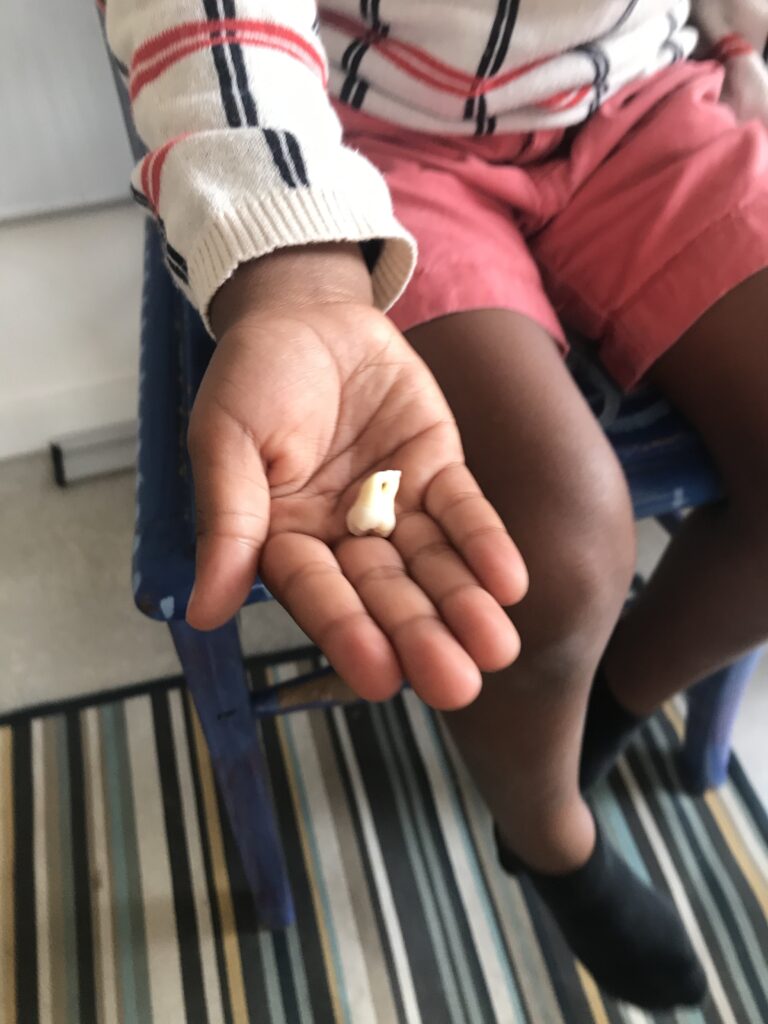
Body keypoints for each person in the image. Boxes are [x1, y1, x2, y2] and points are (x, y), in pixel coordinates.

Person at [107, 0, 768, 1009]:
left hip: (649, 95)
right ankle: (546, 834)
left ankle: (595, 712)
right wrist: (295, 273)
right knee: (551, 557)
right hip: (364, 138)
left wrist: (742, 35)